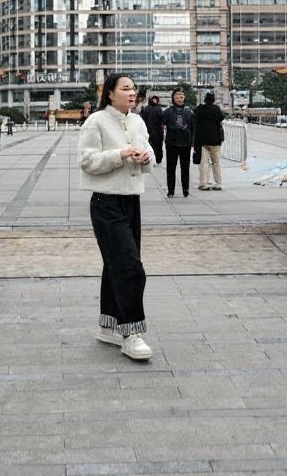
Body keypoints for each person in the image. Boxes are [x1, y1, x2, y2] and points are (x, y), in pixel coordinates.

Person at [78, 73, 155, 361]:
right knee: (130, 267)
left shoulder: (137, 121)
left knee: (116, 264)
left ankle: (108, 325)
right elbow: (87, 161)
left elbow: (149, 151)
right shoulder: (96, 121)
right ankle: (131, 332)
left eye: (134, 88)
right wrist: (120, 154)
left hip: (131, 201)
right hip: (105, 202)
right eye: (125, 88)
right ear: (110, 93)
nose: (132, 92)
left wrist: (145, 158)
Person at [161, 89, 195, 198]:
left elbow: (194, 128)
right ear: (173, 99)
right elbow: (160, 124)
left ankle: (186, 189)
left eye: (181, 97)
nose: (179, 99)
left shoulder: (189, 112)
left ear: (184, 98)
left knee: (185, 168)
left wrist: (194, 142)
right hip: (172, 144)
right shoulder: (167, 111)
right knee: (171, 168)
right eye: (177, 97)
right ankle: (171, 190)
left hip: (185, 143)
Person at [193, 91, 225, 191]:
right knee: (216, 163)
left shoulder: (199, 109)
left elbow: (194, 119)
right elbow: (221, 118)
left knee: (204, 163)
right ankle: (218, 183)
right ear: (214, 100)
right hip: (215, 140)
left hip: (202, 140)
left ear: (205, 99)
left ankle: (204, 183)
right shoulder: (216, 109)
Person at [142, 95, 165, 164]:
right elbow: (144, 119)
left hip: (157, 131)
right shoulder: (147, 108)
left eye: (156, 100)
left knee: (158, 146)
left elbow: (161, 120)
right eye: (153, 99)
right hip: (149, 130)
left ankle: (158, 159)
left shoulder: (158, 108)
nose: (155, 101)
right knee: (150, 145)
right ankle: (151, 159)